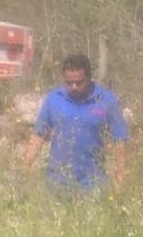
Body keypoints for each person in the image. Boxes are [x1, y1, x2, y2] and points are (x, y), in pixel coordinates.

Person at [23, 53, 129, 193]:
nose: (73, 87)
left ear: (89, 78)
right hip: (56, 184)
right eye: (69, 82)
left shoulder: (106, 101)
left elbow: (120, 140)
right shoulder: (54, 100)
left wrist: (120, 178)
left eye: (79, 83)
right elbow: (38, 135)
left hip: (93, 185)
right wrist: (23, 169)